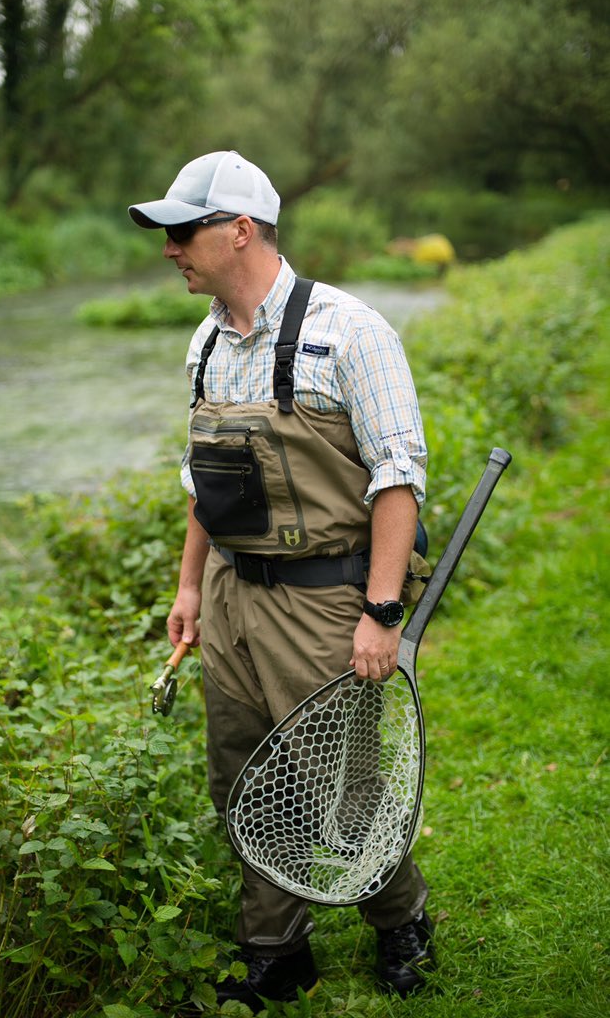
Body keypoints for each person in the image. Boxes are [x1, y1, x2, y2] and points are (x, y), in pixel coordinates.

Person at [128, 150, 434, 1011]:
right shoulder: (205, 340)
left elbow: (397, 478)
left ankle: (402, 919)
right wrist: (189, 590)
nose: (169, 250)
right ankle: (277, 949)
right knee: (240, 778)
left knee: (339, 784)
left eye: (181, 232)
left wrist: (380, 611)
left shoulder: (353, 331)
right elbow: (205, 485)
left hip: (323, 598)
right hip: (230, 597)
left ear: (238, 231)